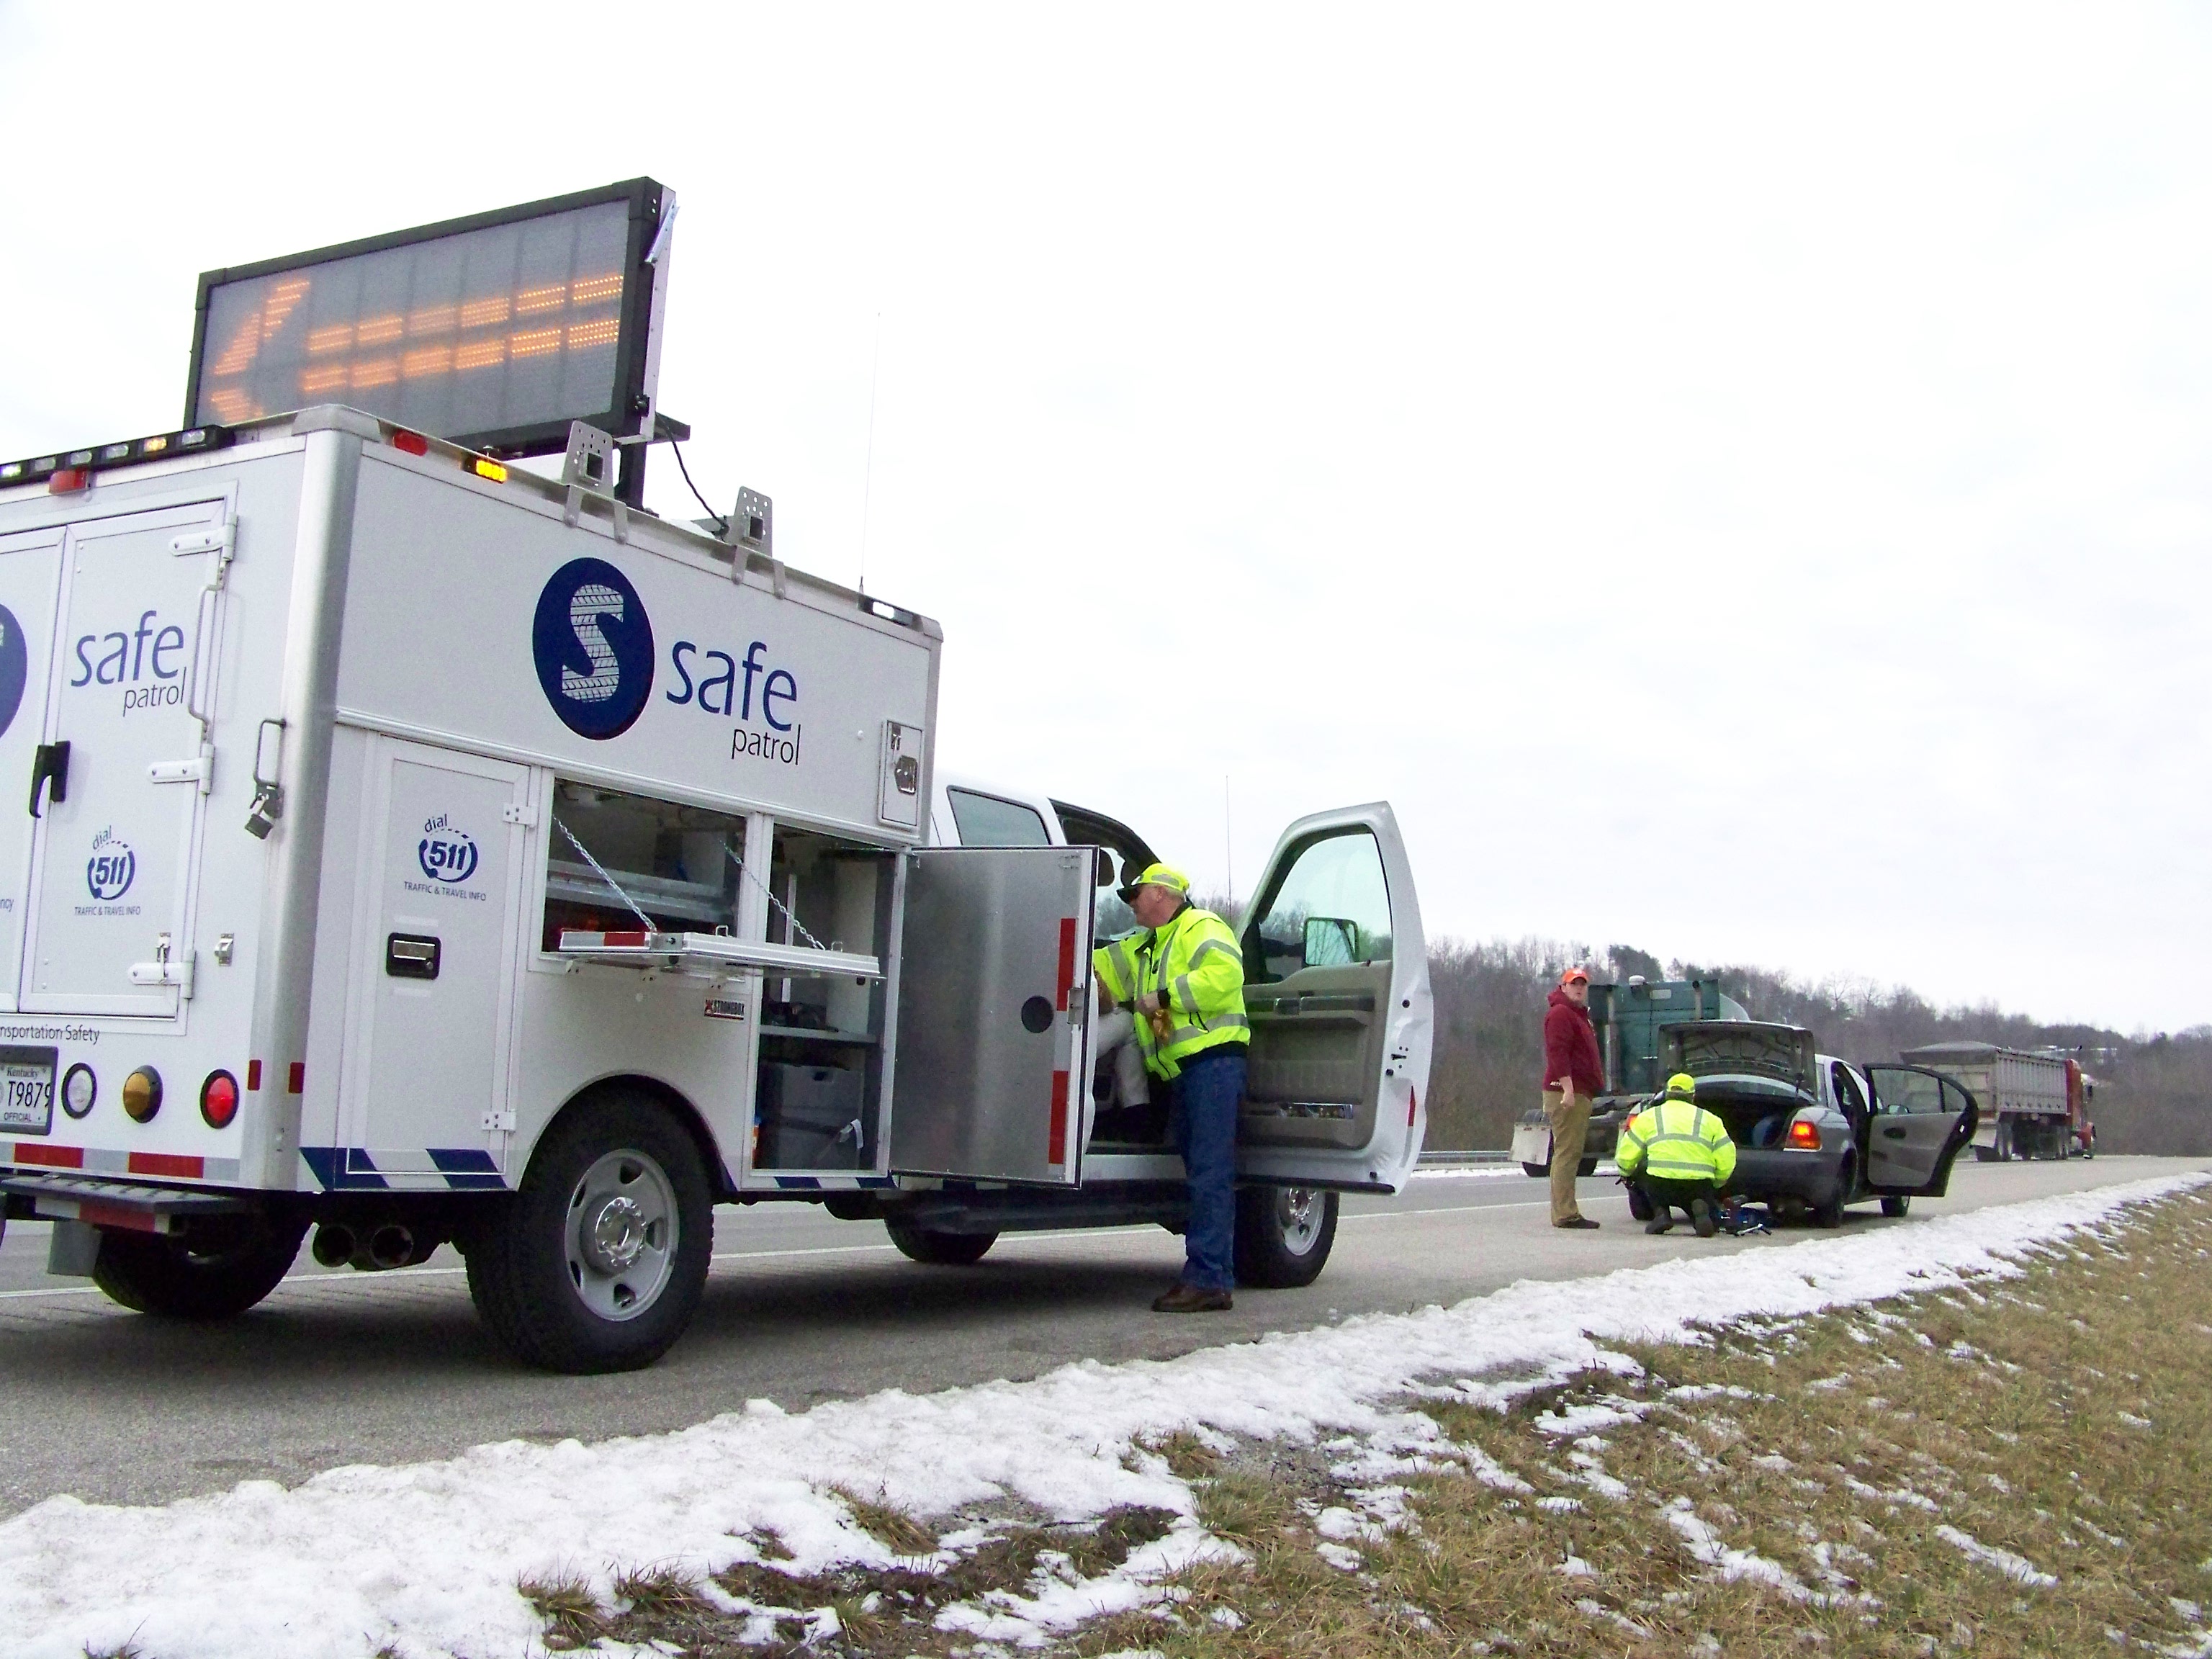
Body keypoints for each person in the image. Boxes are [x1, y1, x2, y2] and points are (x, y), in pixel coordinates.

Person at [1094, 863, 1249, 1312]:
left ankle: (1208, 1280)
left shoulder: (1200, 927)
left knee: (1209, 1174)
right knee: (1202, 1172)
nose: (1131, 903)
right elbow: (1098, 963)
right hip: (1185, 1072)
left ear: (1161, 894)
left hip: (1213, 1064)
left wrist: (1163, 997)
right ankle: (1211, 1275)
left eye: (1136, 894)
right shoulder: (1147, 945)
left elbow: (1225, 977)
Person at [1615, 1071, 1738, 1237]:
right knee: (1697, 1198)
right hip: (1699, 1185)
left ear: (1667, 1094)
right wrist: (1717, 1182)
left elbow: (1627, 1155)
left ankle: (1661, 1213)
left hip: (1660, 1184)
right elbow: (1727, 1156)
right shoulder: (1711, 1119)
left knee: (1643, 1168)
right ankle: (1699, 1211)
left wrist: (1626, 1173)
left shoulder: (1649, 1117)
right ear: (1693, 1096)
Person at [1541, 966, 1606, 1229]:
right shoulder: (1561, 1013)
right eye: (1574, 984)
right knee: (1567, 1152)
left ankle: (1566, 1210)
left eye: (1583, 984)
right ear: (1563, 987)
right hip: (1567, 1092)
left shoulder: (1578, 1015)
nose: (1579, 988)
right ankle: (1565, 1214)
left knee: (1571, 1151)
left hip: (1579, 1091)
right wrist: (1567, 1089)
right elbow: (1557, 1053)